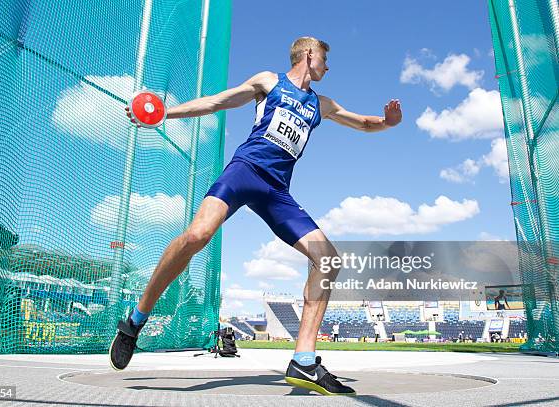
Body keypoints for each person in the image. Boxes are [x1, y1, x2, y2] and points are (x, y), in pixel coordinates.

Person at [110, 36, 402, 396]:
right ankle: (135, 320)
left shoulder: (322, 104)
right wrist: (166, 113)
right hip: (244, 171)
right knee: (196, 237)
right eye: (325, 59)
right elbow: (217, 102)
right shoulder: (269, 81)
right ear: (309, 55)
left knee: (328, 260)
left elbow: (363, 123)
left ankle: (305, 360)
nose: (328, 67)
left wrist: (387, 122)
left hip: (277, 190)